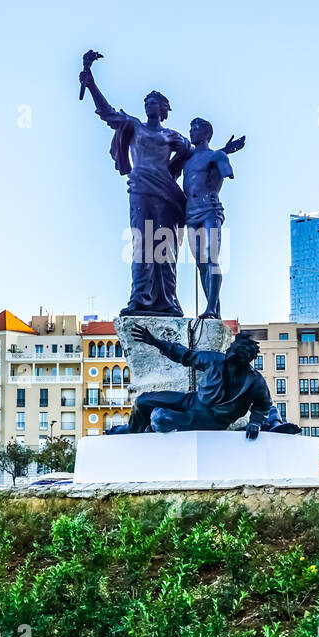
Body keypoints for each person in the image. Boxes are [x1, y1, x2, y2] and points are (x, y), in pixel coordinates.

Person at [80, 57, 190, 316]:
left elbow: (193, 153)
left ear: (164, 109)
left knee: (165, 246)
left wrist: (222, 154)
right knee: (141, 243)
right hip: (141, 188)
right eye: (147, 103)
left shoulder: (172, 135)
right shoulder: (134, 126)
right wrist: (92, 83)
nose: (150, 105)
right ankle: (140, 298)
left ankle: (167, 300)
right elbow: (107, 113)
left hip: (165, 192)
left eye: (155, 103)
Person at [125, 326, 272, 436]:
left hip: (211, 420)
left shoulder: (255, 382)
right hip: (193, 401)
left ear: (243, 359)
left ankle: (153, 429)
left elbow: (263, 406)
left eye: (231, 352)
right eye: (229, 349)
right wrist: (156, 342)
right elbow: (185, 355)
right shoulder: (216, 360)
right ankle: (132, 434)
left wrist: (255, 422)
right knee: (142, 401)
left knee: (161, 418)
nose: (227, 353)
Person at [181, 118, 245, 319]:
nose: (191, 131)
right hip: (190, 213)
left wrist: (224, 153)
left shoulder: (216, 156)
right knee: (200, 263)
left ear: (207, 133)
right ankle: (213, 310)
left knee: (211, 258)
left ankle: (210, 308)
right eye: (190, 127)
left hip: (210, 209)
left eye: (196, 128)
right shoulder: (188, 160)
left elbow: (226, 172)